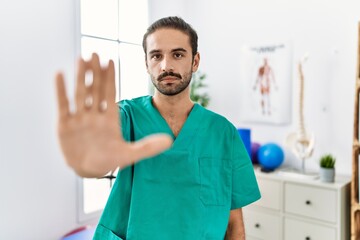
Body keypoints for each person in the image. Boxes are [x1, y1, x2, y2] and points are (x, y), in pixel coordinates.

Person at [56, 16, 260, 240]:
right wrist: (91, 162)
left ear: (195, 61)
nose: (166, 66)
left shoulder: (223, 133)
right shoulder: (127, 116)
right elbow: (101, 151)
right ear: (146, 63)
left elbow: (234, 224)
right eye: (156, 56)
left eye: (178, 54)